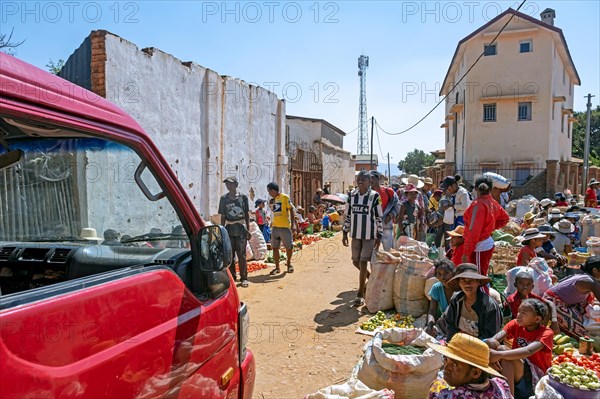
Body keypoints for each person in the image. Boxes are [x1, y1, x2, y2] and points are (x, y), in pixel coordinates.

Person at [486, 299, 554, 397]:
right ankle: (502, 392)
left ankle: (508, 395)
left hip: (534, 374)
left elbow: (528, 351)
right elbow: (494, 339)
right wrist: (490, 352)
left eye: (524, 313)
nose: (518, 315)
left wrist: (498, 355)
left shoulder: (546, 333)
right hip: (516, 365)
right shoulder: (515, 323)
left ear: (537, 319)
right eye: (519, 311)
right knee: (491, 343)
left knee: (502, 350)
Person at [427, 333, 513, 399]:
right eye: (445, 360)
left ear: (475, 373)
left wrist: (436, 384)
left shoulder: (448, 396)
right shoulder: (501, 385)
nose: (446, 368)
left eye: (454, 365)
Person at [342, 170, 383, 307]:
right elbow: (348, 215)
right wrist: (344, 232)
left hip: (369, 236)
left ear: (369, 182)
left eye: (363, 179)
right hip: (355, 235)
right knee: (355, 261)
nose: (360, 181)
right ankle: (370, 278)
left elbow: (378, 217)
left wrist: (379, 235)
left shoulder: (375, 196)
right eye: (358, 178)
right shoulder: (352, 195)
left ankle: (360, 294)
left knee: (363, 262)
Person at [461, 175, 509, 276]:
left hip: (479, 245)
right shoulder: (492, 202)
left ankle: (484, 292)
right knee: (480, 276)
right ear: (491, 189)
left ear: (475, 189)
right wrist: (489, 228)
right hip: (485, 243)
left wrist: (466, 253)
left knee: (478, 278)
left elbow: (473, 231)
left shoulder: (478, 205)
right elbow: (505, 218)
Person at [442, 263, 502, 341]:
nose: (467, 284)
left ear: (478, 282)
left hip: (482, 346)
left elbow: (490, 335)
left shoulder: (489, 305)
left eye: (471, 280)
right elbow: (451, 325)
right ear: (459, 283)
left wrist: (472, 346)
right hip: (459, 342)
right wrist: (452, 342)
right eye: (463, 280)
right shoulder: (456, 300)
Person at [543, 256, 600, 338]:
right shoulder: (590, 282)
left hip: (565, 302)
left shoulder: (586, 277)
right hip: (552, 302)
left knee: (587, 319)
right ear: (594, 270)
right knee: (583, 334)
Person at [218, 176, 251, 287]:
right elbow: (223, 216)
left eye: (231, 184)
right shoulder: (223, 199)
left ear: (236, 185)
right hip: (229, 230)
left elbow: (246, 214)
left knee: (241, 255)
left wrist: (248, 229)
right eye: (227, 184)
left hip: (241, 229)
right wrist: (221, 231)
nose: (229, 186)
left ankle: (244, 278)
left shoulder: (243, 198)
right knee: (230, 255)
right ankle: (232, 277)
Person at [267, 181, 297, 275]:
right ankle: (277, 267)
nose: (269, 193)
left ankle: (289, 264)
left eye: (269, 191)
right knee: (275, 247)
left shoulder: (285, 197)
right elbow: (275, 211)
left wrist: (293, 224)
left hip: (284, 226)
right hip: (275, 226)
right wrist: (270, 204)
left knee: (289, 247)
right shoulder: (273, 200)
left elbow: (291, 209)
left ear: (273, 190)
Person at [370, 171, 400, 250]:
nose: (370, 180)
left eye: (372, 178)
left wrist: (391, 215)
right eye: (369, 178)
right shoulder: (367, 193)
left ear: (378, 178)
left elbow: (397, 204)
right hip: (372, 227)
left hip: (386, 225)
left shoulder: (388, 191)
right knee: (372, 252)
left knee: (389, 251)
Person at [426, 259, 456, 336]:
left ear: (453, 274)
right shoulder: (437, 288)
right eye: (439, 274)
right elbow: (432, 311)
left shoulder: (459, 288)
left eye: (446, 273)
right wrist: (430, 325)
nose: (443, 277)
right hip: (446, 324)